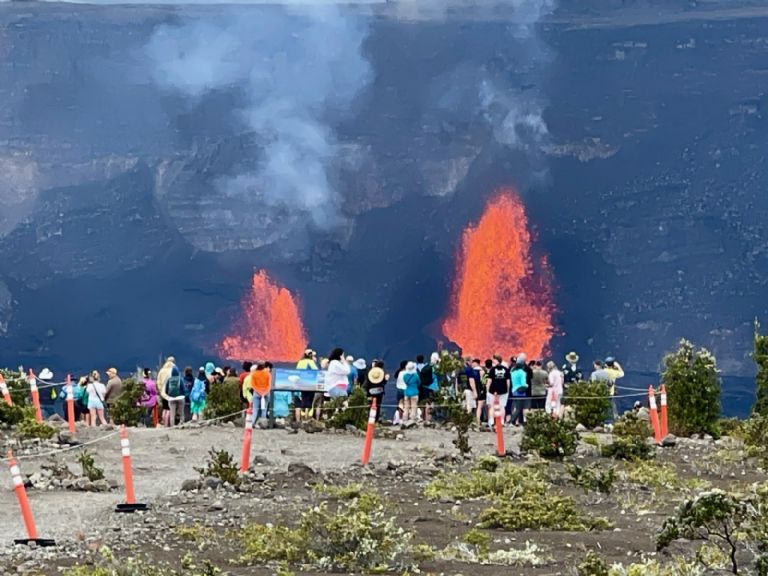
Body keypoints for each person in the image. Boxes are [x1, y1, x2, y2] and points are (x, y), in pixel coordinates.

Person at [158, 357, 185, 427]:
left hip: (164, 394)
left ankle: (166, 424)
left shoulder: (161, 371)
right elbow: (182, 387)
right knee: (174, 411)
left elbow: (159, 383)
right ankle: (176, 424)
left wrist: (161, 392)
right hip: (176, 395)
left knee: (165, 410)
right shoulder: (174, 371)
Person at [486, 357, 510, 429]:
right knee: (502, 406)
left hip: (493, 390)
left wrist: (487, 390)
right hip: (503, 391)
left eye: (494, 360)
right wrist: (507, 390)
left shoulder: (492, 369)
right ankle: (502, 421)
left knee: (492, 406)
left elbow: (489, 381)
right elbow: (508, 382)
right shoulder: (506, 370)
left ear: (497, 361)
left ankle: (491, 421)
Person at [296, 350, 318, 422]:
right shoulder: (311, 362)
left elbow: (297, 372)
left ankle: (302, 418)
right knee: (309, 401)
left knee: (303, 400)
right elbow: (316, 371)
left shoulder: (300, 362)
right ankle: (307, 417)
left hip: (301, 384)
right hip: (310, 384)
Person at [509, 357, 528, 427]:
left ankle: (512, 421)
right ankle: (512, 421)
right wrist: (527, 385)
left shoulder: (512, 372)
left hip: (514, 390)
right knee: (519, 407)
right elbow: (523, 383)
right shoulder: (522, 373)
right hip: (521, 391)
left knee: (515, 406)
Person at [402, 361, 421, 426]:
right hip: (414, 392)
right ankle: (412, 419)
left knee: (406, 407)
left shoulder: (404, 376)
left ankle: (404, 419)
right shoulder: (416, 376)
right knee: (414, 406)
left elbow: (405, 382)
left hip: (407, 392)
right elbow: (419, 383)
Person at [471, 358, 487, 427]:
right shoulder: (482, 371)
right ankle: (479, 420)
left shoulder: (471, 371)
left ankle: (476, 420)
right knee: (480, 406)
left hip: (474, 390)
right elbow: (484, 382)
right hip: (481, 390)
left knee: (475, 406)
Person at [393, 360, 408, 425]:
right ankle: (405, 418)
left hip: (399, 390)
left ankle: (399, 418)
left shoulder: (399, 372)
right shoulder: (407, 373)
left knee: (400, 404)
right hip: (406, 390)